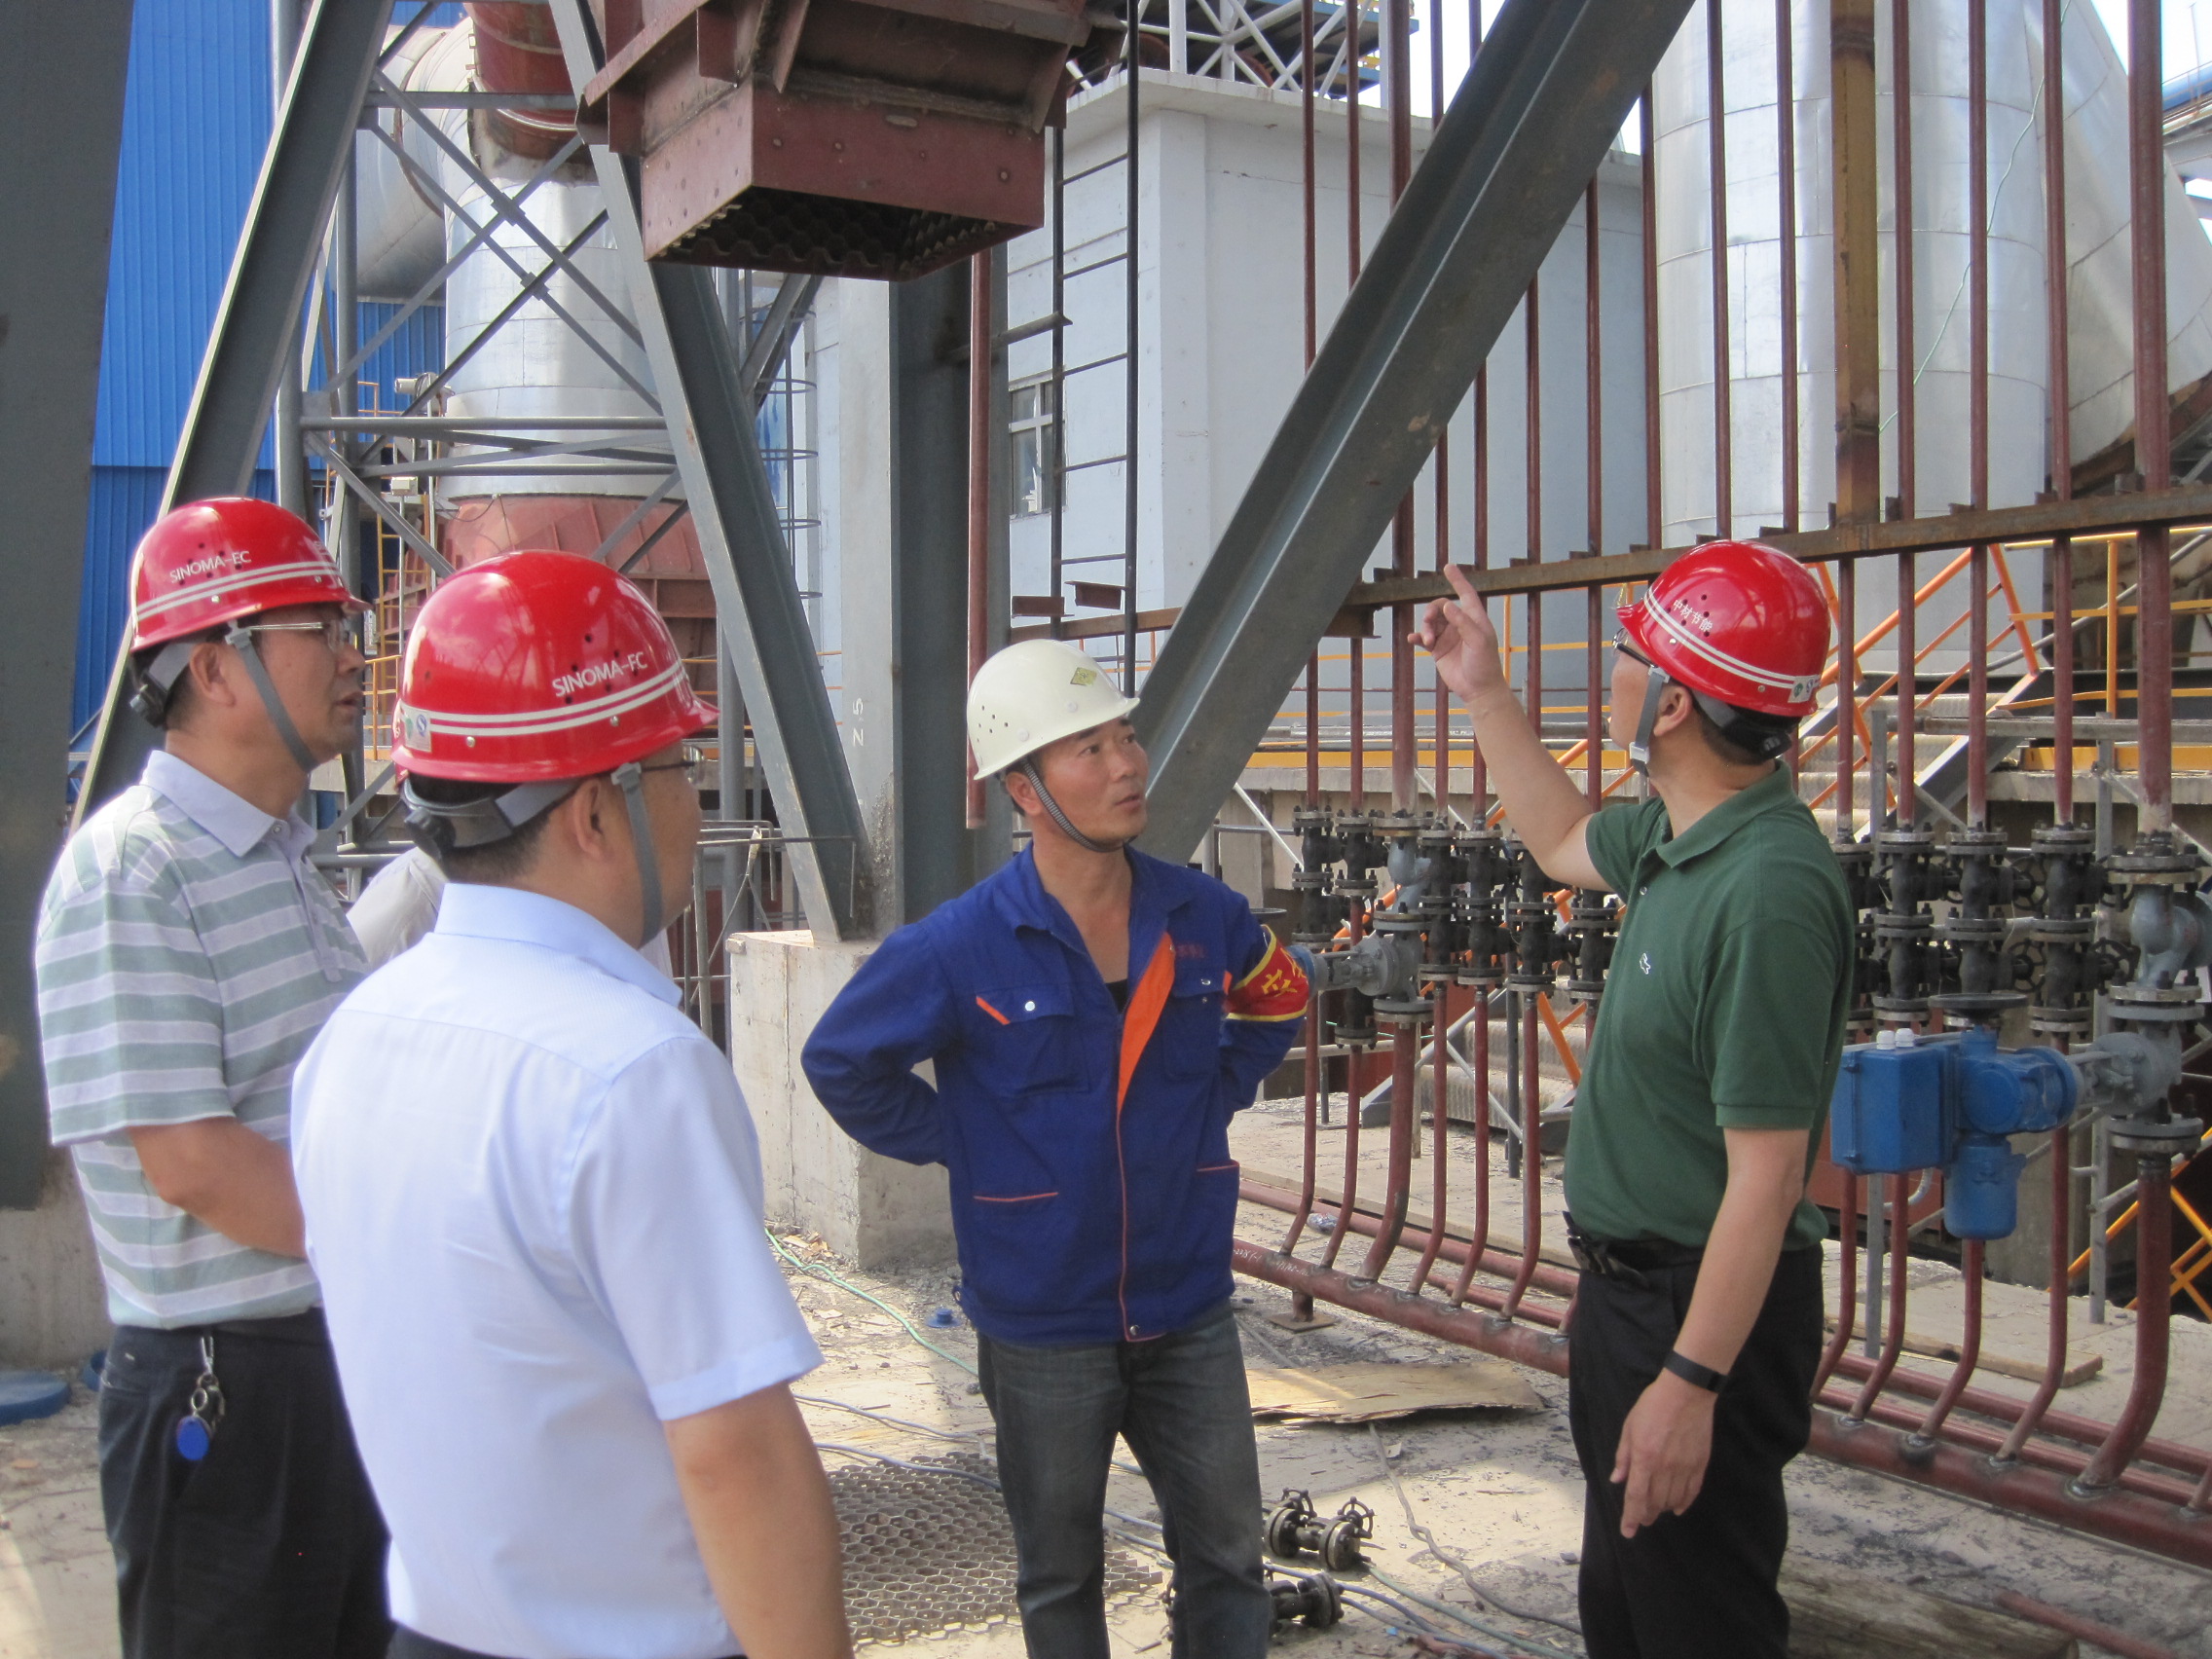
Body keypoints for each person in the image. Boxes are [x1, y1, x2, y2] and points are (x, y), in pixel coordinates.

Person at [289, 549, 850, 1659]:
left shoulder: (352, 1037)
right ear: (597, 811)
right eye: (679, 764)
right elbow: (733, 1452)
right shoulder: (633, 1071)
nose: (698, 801)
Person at [801, 638, 1309, 1659]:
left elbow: (1279, 998)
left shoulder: (1200, 915)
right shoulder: (958, 945)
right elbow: (840, 1061)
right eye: (1090, 748)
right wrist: (962, 1139)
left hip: (1186, 1304)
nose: (1127, 765)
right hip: (1043, 1318)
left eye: (1126, 736)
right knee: (1060, 1576)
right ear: (1024, 790)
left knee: (1228, 1560)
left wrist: (1214, 1095)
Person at [1415, 541, 1850, 1659]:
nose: (1608, 669)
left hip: (1698, 1313)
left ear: (1671, 705)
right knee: (1628, 1612)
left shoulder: (1765, 891)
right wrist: (1484, 691)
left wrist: (1690, 1383)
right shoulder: (1678, 834)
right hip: (1633, 1298)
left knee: (1696, 1623)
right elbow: (1561, 840)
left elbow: (1768, 1179)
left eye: (1625, 654)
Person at [34, 498, 389, 1659]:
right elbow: (194, 1164)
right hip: (228, 1389)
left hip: (334, 1359)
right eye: (318, 628)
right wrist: (407, 1240)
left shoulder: (286, 862)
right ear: (214, 668)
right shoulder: (133, 872)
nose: (353, 655)